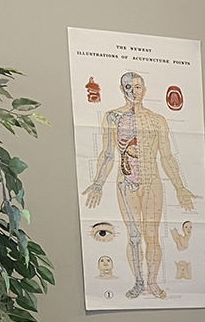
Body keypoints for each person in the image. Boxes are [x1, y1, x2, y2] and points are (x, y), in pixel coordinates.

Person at [83, 72, 196, 299]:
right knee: (133, 235)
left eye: (137, 87)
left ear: (144, 90)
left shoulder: (157, 120)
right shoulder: (113, 117)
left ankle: (152, 283)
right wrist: (97, 183)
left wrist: (180, 187)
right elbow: (108, 153)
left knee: (151, 235)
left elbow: (167, 156)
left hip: (152, 180)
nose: (133, 91)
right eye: (128, 87)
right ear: (121, 89)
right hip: (126, 182)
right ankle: (138, 282)